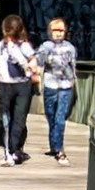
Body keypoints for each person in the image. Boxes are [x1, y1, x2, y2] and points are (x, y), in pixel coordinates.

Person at [0, 13, 41, 165]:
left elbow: (33, 63)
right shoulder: (1, 46)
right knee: (8, 118)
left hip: (21, 85)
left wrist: (31, 70)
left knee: (19, 118)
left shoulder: (24, 46)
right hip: (7, 84)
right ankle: (10, 151)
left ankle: (14, 149)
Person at [36, 17, 84, 158]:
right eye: (55, 30)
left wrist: (74, 82)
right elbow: (39, 64)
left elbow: (73, 66)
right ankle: (54, 145)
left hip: (65, 85)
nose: (58, 33)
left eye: (61, 30)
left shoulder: (70, 47)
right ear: (50, 32)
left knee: (60, 117)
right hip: (50, 84)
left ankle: (60, 148)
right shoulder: (45, 47)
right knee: (50, 116)